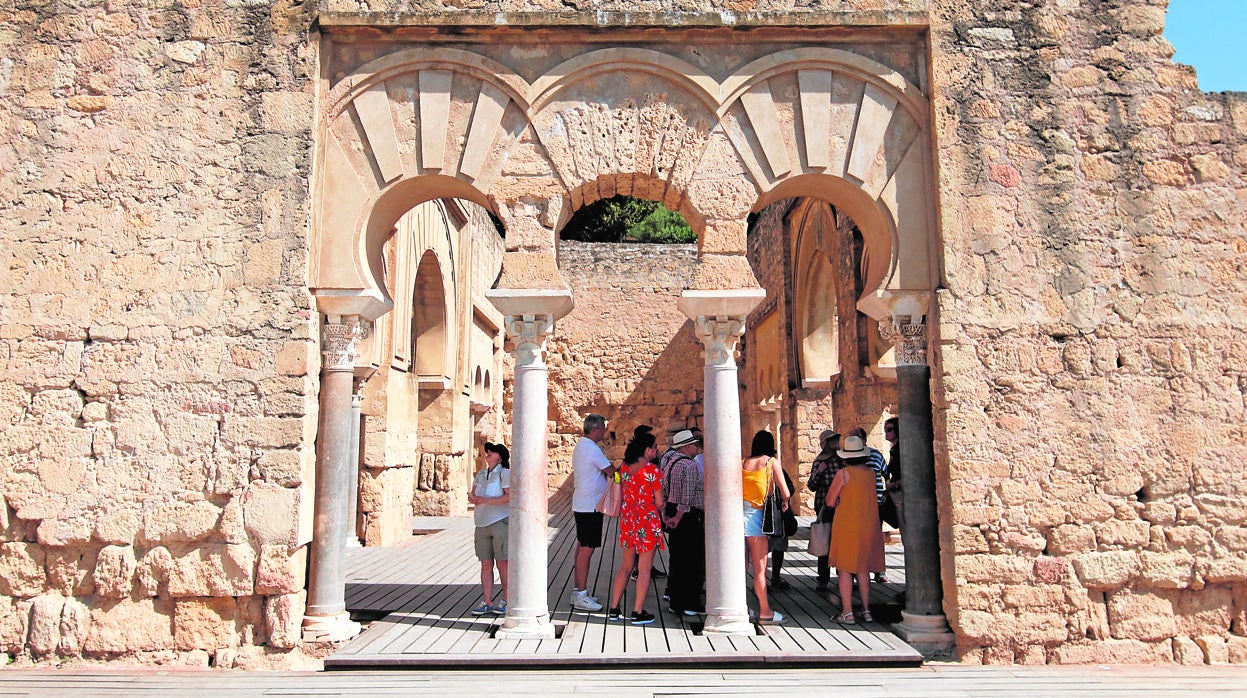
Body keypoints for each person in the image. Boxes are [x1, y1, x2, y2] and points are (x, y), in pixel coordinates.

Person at [824, 434, 886, 624]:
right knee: (863, 569)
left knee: (844, 569)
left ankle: (847, 612)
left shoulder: (843, 474)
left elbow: (829, 501)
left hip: (847, 524)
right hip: (867, 524)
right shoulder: (870, 473)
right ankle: (866, 611)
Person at [607, 431, 664, 625]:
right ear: (648, 450)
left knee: (625, 566)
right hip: (647, 522)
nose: (657, 450)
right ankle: (637, 612)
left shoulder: (624, 468)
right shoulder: (652, 471)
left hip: (628, 521)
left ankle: (614, 608)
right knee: (644, 568)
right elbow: (659, 501)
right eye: (655, 447)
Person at [741, 430, 790, 624]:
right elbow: (785, 491)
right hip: (756, 518)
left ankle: (741, 607)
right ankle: (765, 611)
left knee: (740, 568)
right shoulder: (771, 462)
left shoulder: (743, 462)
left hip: (737, 518)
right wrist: (785, 502)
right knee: (760, 570)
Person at [570, 413, 615, 612]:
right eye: (603, 428)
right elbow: (611, 471)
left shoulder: (582, 445)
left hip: (583, 504)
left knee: (581, 548)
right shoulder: (590, 448)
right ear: (595, 428)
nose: (605, 432)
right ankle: (581, 594)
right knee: (586, 551)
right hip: (590, 507)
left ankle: (578, 591)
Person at [660, 429, 705, 616]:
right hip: (687, 515)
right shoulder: (690, 465)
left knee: (678, 558)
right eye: (695, 444)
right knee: (692, 560)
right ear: (687, 446)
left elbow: (663, 487)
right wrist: (678, 517)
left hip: (671, 509)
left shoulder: (670, 462)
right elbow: (687, 495)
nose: (698, 448)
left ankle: (676, 601)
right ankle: (691, 603)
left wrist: (665, 513)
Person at [467, 442, 510, 616]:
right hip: (481, 523)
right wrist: (473, 498)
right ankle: (487, 600)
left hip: (499, 521)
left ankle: (507, 599)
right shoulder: (481, 474)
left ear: (499, 456)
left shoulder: (505, 474)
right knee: (485, 563)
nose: (488, 454)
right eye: (487, 452)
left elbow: (509, 497)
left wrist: (486, 501)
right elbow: (474, 492)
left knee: (502, 563)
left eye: (491, 452)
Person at [849, 426, 890, 583]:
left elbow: (885, 473)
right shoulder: (847, 457)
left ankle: (879, 570)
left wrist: (886, 492)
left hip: (875, 503)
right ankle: (854, 570)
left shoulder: (876, 455)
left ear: (864, 440)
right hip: (854, 505)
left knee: (875, 537)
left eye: (857, 437)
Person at [806, 430, 842, 590]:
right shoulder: (819, 461)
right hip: (824, 505)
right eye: (832, 440)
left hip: (841, 504)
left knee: (842, 540)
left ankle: (845, 575)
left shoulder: (842, 459)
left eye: (836, 439)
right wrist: (820, 471)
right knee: (824, 540)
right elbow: (811, 485)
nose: (835, 442)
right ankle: (823, 578)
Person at [768, 468, 797, 590]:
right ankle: (775, 577)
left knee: (764, 548)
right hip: (778, 511)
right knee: (778, 546)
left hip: (759, 510)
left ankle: (762, 580)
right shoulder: (775, 467)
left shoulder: (748, 466)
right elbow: (789, 489)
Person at [882, 417, 903, 531]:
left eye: (889, 429)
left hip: (901, 490)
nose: (886, 433)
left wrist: (893, 485)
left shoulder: (900, 449)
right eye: (885, 430)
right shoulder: (894, 449)